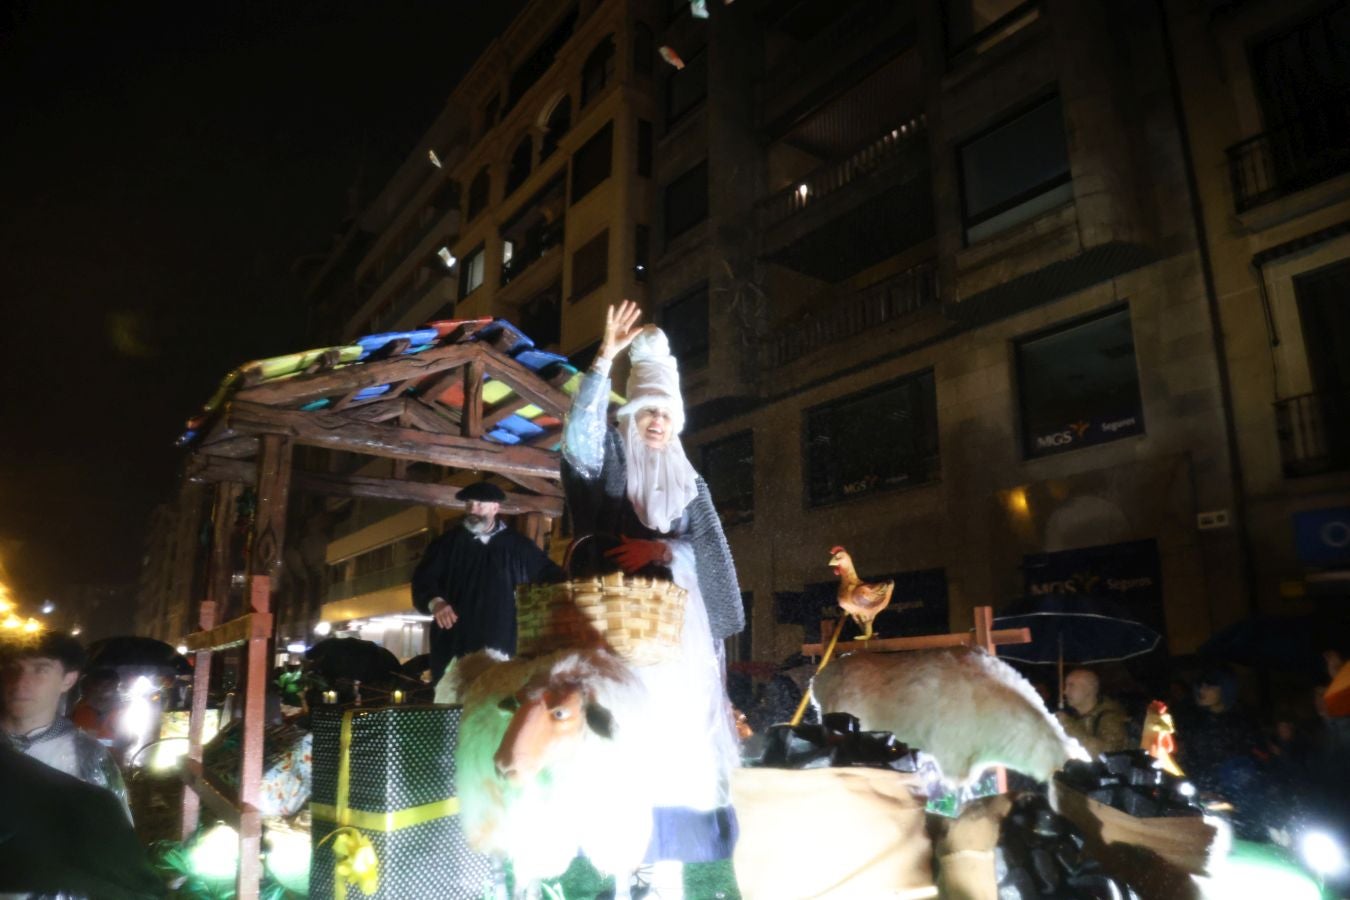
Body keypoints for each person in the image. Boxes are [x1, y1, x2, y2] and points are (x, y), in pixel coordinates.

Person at [562, 300, 746, 892]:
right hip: (617, 629)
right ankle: (620, 853)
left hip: (679, 639)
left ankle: (666, 861)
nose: (657, 423)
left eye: (666, 413)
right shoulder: (612, 462)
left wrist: (663, 553)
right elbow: (578, 444)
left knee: (677, 740)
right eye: (647, 412)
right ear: (632, 417)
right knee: (620, 737)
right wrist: (605, 360)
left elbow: (712, 553)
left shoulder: (692, 482)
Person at [411, 480, 564, 683]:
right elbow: (423, 580)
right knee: (455, 703)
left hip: (503, 642)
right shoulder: (445, 545)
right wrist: (436, 602)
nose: (473, 510)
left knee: (498, 700)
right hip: (455, 642)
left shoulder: (519, 547)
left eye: (480, 504)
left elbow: (550, 575)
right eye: (469, 504)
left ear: (495, 508)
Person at [0, 633, 129, 817]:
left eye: (40, 669)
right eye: (13, 668)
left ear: (68, 680)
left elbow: (111, 833)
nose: (21, 682)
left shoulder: (87, 756)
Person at [1056, 668, 1131, 758]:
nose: (1065, 692)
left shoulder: (1110, 718)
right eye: (1066, 686)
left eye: (1071, 686)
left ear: (1088, 689)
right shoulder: (1073, 716)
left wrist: (1068, 726)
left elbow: (1107, 754)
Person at [69, 667, 124, 749]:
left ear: (116, 686)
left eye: (109, 685)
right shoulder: (79, 708)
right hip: (82, 756)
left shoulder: (123, 712)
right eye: (101, 684)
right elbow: (69, 734)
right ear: (93, 686)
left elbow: (127, 741)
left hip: (111, 758)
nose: (105, 688)